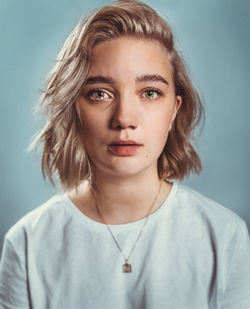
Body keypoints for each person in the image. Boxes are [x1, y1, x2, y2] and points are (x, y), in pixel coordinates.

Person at [0, 0, 249, 308]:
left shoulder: (225, 237)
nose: (124, 118)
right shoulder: (27, 244)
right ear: (74, 108)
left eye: (150, 92)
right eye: (99, 93)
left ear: (174, 109)